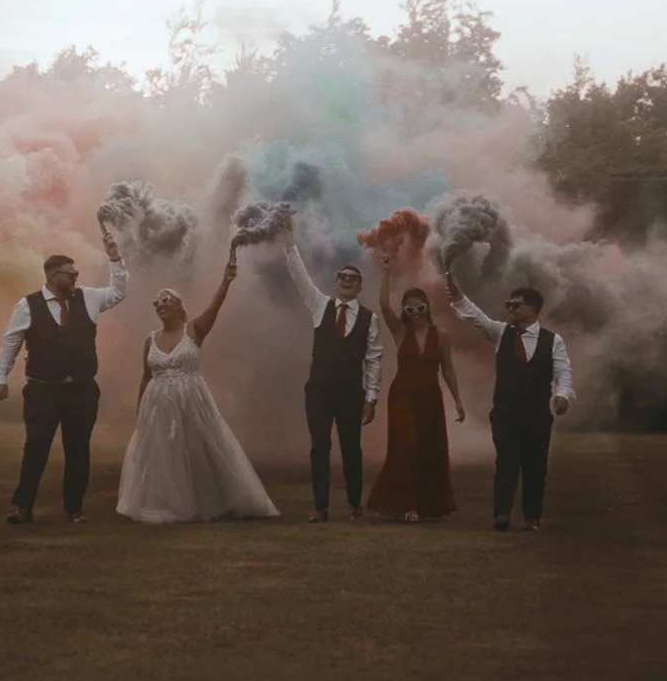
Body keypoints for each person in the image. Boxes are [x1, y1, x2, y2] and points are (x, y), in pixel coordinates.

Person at [117, 255, 279, 524]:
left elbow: (215, 307)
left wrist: (225, 282)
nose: (159, 305)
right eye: (156, 302)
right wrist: (140, 409)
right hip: (157, 404)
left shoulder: (193, 330)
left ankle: (212, 498)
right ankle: (164, 500)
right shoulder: (150, 340)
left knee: (199, 449)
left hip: (191, 400)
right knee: (162, 454)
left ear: (179, 305)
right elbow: (146, 377)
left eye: (165, 299)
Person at [0, 230, 126, 524]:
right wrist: (0, 377)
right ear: (54, 276)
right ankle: (23, 507)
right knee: (36, 446)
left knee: (78, 448)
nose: (76, 277)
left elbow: (118, 292)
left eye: (76, 272)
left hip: (81, 390)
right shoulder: (27, 305)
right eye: (71, 273)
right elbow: (11, 341)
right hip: (42, 390)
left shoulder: (88, 298)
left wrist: (115, 257)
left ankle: (74, 509)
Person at [444, 278, 574, 531]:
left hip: (537, 413)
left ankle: (532, 517)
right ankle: (502, 514)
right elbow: (476, 317)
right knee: (506, 462)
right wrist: (459, 296)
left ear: (532, 310)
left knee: (535, 466)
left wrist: (563, 395)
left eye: (515, 305)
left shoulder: (553, 340)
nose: (510, 310)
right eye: (509, 305)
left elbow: (563, 370)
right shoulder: (501, 332)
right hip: (506, 412)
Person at [282, 217, 383, 522]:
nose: (346, 279)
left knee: (352, 449)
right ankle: (320, 507)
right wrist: (289, 241)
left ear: (360, 286)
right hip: (319, 392)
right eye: (342, 276)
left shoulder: (370, 319)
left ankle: (354, 504)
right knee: (320, 446)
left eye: (353, 277)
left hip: (352, 393)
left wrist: (372, 398)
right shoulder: (319, 305)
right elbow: (299, 275)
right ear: (335, 282)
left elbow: (374, 359)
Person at [365, 250, 465, 522]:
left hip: (430, 397)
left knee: (430, 447)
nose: (416, 313)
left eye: (420, 308)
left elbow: (447, 368)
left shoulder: (439, 334)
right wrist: (387, 272)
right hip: (403, 395)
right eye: (410, 309)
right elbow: (384, 305)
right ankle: (404, 504)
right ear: (406, 311)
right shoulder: (400, 331)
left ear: (427, 308)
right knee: (406, 444)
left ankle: (433, 504)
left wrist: (457, 399)